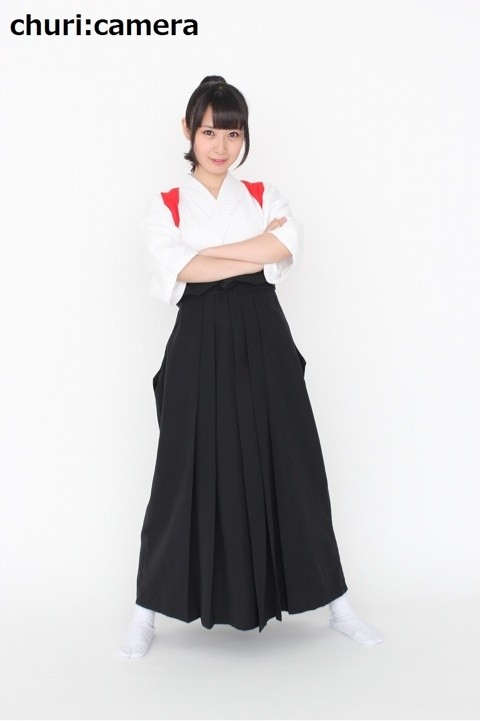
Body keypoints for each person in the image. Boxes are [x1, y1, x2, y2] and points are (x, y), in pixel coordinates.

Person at [116, 76, 384, 659]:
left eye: (233, 133)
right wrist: (248, 251)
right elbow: (181, 269)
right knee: (181, 471)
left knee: (294, 461)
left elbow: (284, 248)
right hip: (198, 340)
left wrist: (205, 255)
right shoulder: (166, 203)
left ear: (244, 137)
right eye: (210, 131)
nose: (221, 146)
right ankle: (146, 610)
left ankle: (337, 602)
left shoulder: (263, 193)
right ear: (188, 131)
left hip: (265, 335)